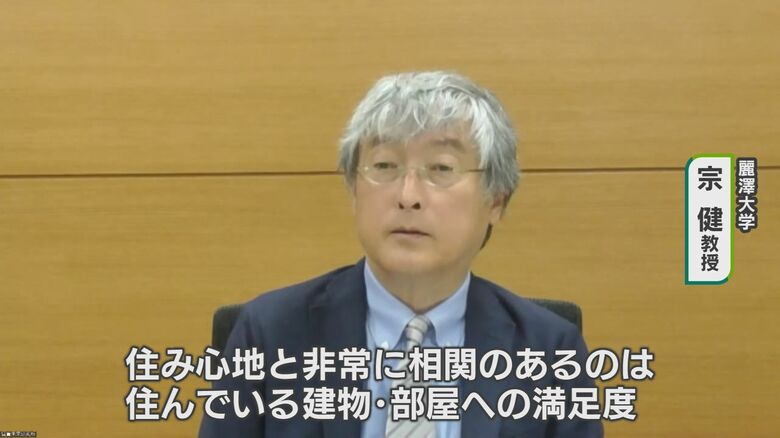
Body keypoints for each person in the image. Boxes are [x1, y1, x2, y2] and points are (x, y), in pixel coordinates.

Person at [199, 71, 603, 437]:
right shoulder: (269, 334)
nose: (408, 196)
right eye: (384, 166)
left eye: (441, 169)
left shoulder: (550, 350)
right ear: (354, 191)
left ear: (496, 199)